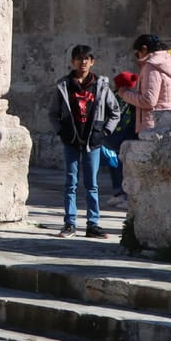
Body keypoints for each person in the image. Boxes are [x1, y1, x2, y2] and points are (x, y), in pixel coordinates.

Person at [48, 44, 119, 238]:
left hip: (92, 141)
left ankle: (93, 224)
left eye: (87, 58)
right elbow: (53, 114)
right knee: (70, 182)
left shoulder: (101, 86)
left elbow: (115, 112)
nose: (83, 62)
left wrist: (104, 132)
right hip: (71, 140)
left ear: (92, 62)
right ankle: (69, 223)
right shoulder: (64, 86)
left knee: (92, 184)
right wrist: (61, 132)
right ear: (73, 62)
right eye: (79, 58)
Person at [121, 35, 171, 134]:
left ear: (144, 49)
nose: (137, 58)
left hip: (151, 125)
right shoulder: (167, 62)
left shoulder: (151, 66)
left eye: (137, 54)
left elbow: (148, 101)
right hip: (165, 120)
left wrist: (125, 94)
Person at [102, 68, 139, 203]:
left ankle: (119, 193)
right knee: (124, 167)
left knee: (117, 165)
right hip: (129, 137)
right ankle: (122, 194)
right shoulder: (133, 97)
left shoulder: (118, 97)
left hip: (116, 138)